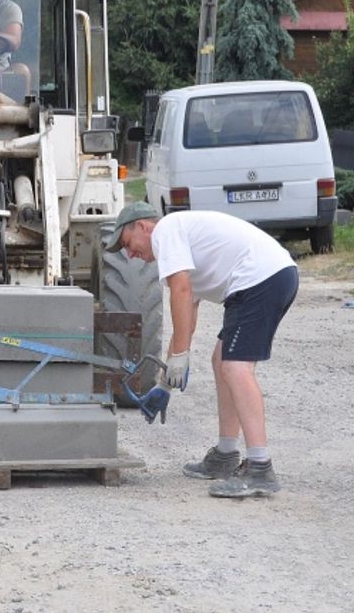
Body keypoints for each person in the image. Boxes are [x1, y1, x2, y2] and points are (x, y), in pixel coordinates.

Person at [105, 202, 298, 498]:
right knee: (222, 359)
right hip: (266, 277)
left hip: (261, 278)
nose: (130, 254)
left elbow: (181, 291)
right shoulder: (180, 245)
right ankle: (226, 454)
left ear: (143, 227)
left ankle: (260, 468)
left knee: (236, 367)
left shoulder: (165, 232)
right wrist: (166, 383)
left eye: (128, 244)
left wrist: (180, 357)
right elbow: (187, 319)